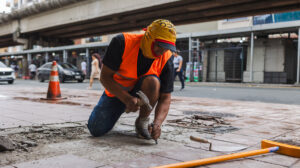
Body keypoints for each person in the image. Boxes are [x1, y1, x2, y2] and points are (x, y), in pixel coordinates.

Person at [87, 19, 176, 142]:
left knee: (153, 82)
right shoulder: (122, 42)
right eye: (159, 46)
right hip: (117, 92)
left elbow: (166, 97)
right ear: (148, 37)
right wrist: (126, 99)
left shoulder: (167, 58)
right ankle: (118, 109)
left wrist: (157, 123)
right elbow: (105, 77)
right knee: (96, 129)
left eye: (166, 48)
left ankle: (142, 121)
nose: (162, 52)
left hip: (144, 91)